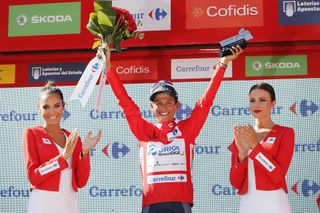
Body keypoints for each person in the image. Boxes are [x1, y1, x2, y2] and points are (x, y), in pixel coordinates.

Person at [100, 45, 243, 212]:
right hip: (151, 203)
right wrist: (108, 69)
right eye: (158, 103)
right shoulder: (144, 131)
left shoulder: (187, 129)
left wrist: (223, 64)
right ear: (151, 106)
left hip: (180, 204)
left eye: (168, 102)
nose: (164, 107)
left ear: (177, 105)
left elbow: (205, 102)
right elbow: (126, 103)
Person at [22, 81, 101, 213]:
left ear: (63, 107)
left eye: (57, 106)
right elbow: (33, 177)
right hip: (43, 202)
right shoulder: (32, 133)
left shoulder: (73, 138)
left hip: (69, 203)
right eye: (46, 107)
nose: (52, 112)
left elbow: (81, 182)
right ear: (39, 109)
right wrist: (63, 157)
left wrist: (85, 152)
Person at [229, 83, 295, 213]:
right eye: (252, 100)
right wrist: (242, 154)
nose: (256, 105)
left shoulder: (285, 133)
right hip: (248, 203)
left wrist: (254, 146)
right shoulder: (242, 134)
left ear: (273, 103)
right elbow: (235, 182)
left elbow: (277, 176)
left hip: (275, 202)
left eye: (262, 100)